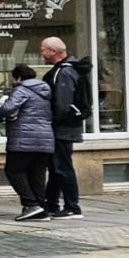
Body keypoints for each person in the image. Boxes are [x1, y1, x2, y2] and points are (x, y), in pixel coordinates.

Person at [0, 65, 58, 222]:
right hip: (45, 139)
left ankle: (31, 204)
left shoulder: (21, 89)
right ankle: (41, 208)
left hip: (23, 139)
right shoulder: (45, 91)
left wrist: (3, 104)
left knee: (13, 170)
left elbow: (7, 109)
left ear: (17, 78)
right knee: (36, 174)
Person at [40, 37, 92, 218]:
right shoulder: (70, 69)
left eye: (44, 49)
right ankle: (52, 203)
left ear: (54, 52)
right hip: (67, 126)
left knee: (62, 167)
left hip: (62, 127)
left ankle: (72, 207)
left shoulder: (64, 73)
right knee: (56, 167)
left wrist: (51, 120)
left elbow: (62, 104)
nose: (41, 52)